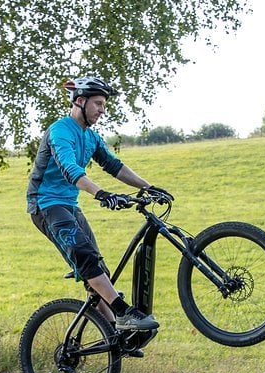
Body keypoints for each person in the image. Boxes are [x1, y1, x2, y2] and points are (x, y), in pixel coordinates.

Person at [26, 74, 172, 332]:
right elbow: (70, 169)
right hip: (46, 205)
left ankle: (114, 334)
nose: (102, 110)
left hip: (69, 206)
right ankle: (124, 314)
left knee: (97, 269)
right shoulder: (60, 130)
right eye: (98, 104)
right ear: (80, 101)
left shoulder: (90, 137)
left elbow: (113, 165)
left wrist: (148, 187)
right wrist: (101, 193)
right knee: (85, 255)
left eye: (104, 105)